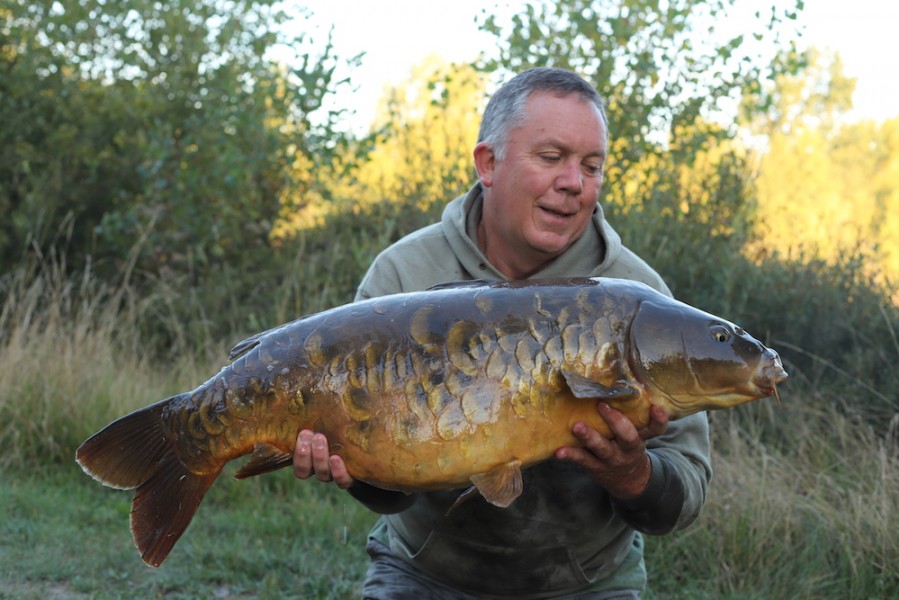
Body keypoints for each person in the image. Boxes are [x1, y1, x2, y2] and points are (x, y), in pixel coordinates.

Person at [292, 67, 712, 599]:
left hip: (586, 581)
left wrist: (634, 475)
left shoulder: (639, 298)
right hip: (426, 568)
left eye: (591, 165)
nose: (574, 183)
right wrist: (356, 465)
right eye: (551, 157)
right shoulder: (405, 277)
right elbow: (391, 497)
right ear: (488, 163)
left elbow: (684, 497)